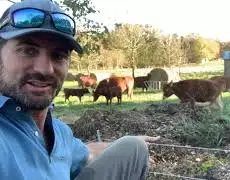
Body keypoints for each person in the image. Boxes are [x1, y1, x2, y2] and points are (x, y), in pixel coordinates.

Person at [0, 0, 160, 179]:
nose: (45, 69)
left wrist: (130, 141)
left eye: (58, 55)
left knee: (133, 147)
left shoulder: (60, 133)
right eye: (28, 51)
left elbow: (87, 152)